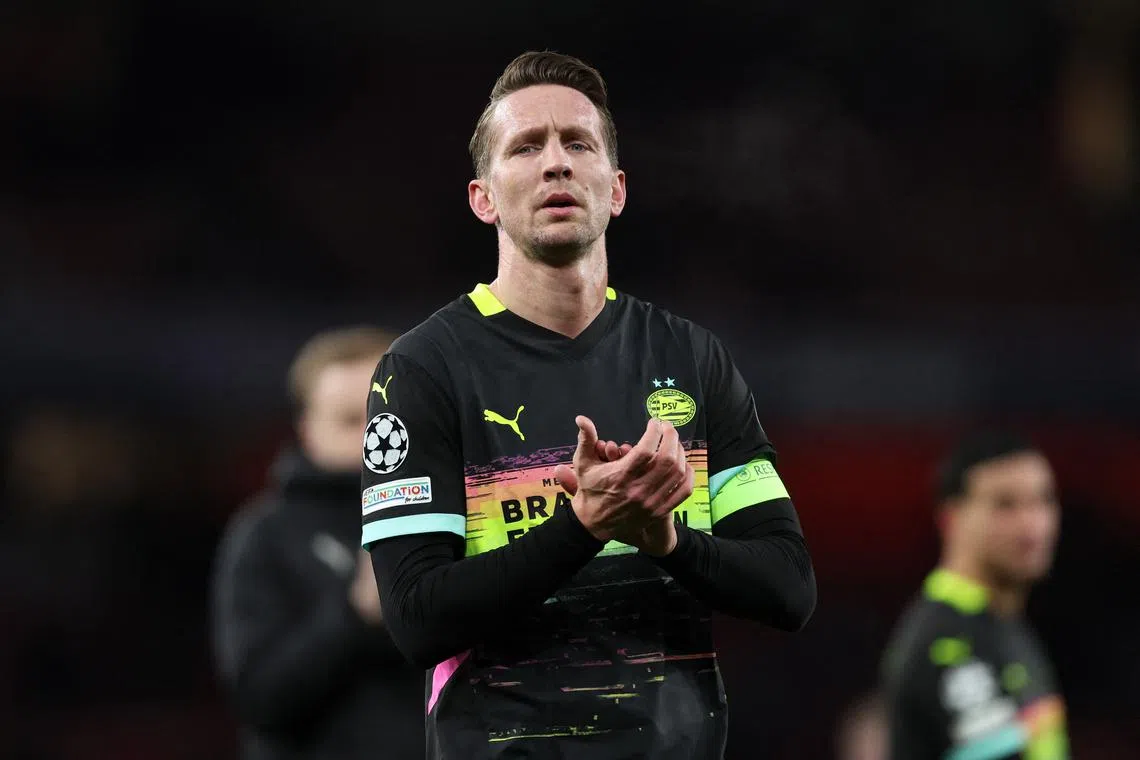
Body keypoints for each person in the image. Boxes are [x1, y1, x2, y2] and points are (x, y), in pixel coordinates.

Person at [359, 51, 816, 759]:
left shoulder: (692, 360)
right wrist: (584, 524)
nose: (556, 164)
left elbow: (789, 588)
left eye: (578, 144)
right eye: (526, 147)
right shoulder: (422, 370)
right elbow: (418, 620)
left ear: (617, 188)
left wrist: (665, 539)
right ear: (484, 197)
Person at [212, 326, 424, 760]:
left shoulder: (453, 515)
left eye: (384, 414)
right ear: (307, 429)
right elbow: (258, 697)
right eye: (350, 420)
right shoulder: (265, 534)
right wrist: (356, 614)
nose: (373, 436)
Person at [880, 432, 1070, 759]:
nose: (1032, 524)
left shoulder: (1001, 624)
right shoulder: (945, 642)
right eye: (1005, 505)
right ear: (952, 519)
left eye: (1043, 500)